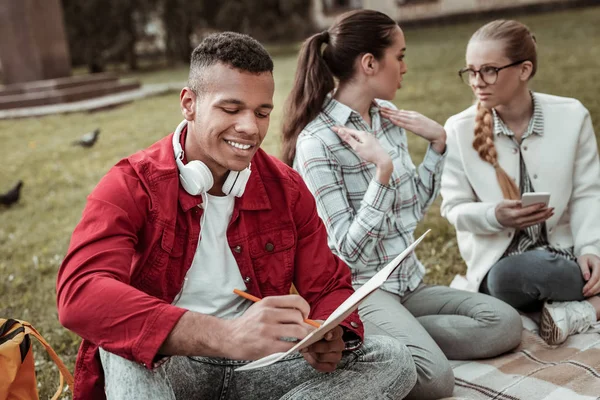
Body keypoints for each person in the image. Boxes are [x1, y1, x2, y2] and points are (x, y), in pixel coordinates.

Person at [56, 32, 418, 400]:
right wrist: (225, 335)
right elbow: (80, 293)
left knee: (390, 359)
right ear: (189, 103)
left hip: (261, 365)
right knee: (125, 347)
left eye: (262, 113)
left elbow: (328, 287)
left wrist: (330, 332)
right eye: (231, 109)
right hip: (174, 366)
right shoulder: (131, 183)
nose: (250, 127)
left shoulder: (286, 188)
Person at [281, 10, 522, 400]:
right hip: (363, 290)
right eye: (400, 55)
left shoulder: (387, 118)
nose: (405, 67)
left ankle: (403, 334)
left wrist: (438, 144)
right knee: (435, 379)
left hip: (407, 282)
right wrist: (382, 171)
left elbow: (410, 212)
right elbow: (346, 254)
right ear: (370, 63)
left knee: (504, 323)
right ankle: (385, 339)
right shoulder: (317, 143)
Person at [440, 19, 600, 346]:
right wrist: (494, 216)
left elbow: (588, 192)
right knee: (522, 273)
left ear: (524, 70)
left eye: (488, 70)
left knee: (563, 268)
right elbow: (453, 209)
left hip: (568, 255)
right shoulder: (458, 129)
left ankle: (573, 311)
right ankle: (589, 306)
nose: (476, 81)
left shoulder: (572, 115)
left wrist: (591, 250)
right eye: (470, 71)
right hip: (505, 270)